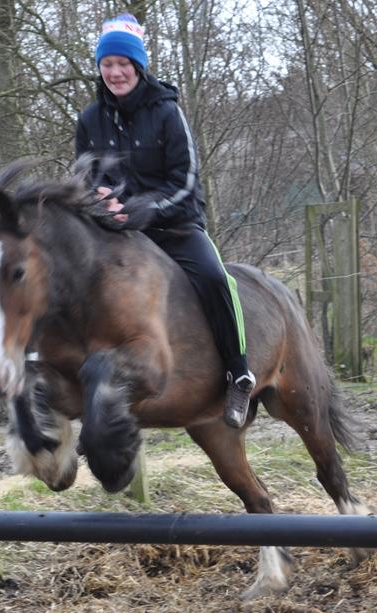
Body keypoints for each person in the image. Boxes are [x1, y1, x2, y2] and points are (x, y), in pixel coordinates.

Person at [74, 13, 255, 429]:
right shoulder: (90, 119)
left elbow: (185, 180)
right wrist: (97, 196)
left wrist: (146, 209)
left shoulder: (168, 113)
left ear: (138, 66)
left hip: (175, 224)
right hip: (118, 232)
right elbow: (85, 176)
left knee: (213, 276)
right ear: (100, 69)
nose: (116, 72)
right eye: (108, 64)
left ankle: (238, 372)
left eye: (123, 64)